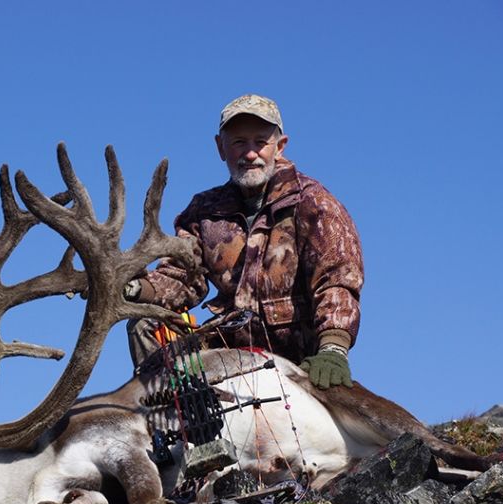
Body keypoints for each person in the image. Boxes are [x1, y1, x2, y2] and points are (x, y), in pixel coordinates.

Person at [127, 94, 363, 389]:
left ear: (280, 146)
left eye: (260, 142)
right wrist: (133, 288)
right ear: (220, 147)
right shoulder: (204, 211)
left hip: (298, 360)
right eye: (239, 142)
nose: (250, 153)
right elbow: (183, 278)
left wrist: (333, 348)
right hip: (227, 352)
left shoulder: (314, 204)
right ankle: (194, 425)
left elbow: (337, 280)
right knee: (147, 324)